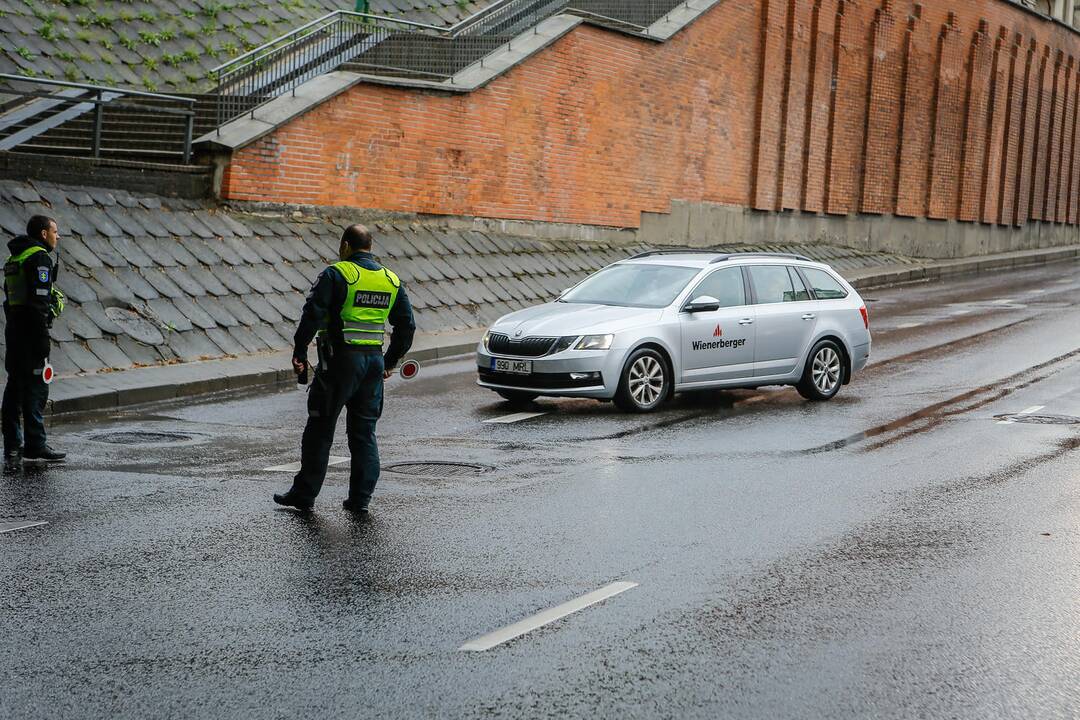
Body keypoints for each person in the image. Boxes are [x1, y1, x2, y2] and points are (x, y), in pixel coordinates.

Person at [274, 224, 415, 513]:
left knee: (320, 429)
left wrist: (300, 349)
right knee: (364, 433)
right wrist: (390, 362)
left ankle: (304, 494)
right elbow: (407, 326)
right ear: (370, 247)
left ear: (346, 246)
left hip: (339, 362)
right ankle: (360, 500)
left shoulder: (337, 273)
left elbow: (312, 314)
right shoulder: (390, 279)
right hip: (373, 364)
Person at [3, 215, 66, 464]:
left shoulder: (14, 257)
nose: (57, 236)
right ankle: (35, 445)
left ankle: (12, 446)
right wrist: (42, 338)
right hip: (32, 333)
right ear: (43, 234)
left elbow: (12, 298)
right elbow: (39, 303)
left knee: (14, 386)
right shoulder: (39, 257)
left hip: (15, 330)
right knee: (36, 388)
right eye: (54, 231)